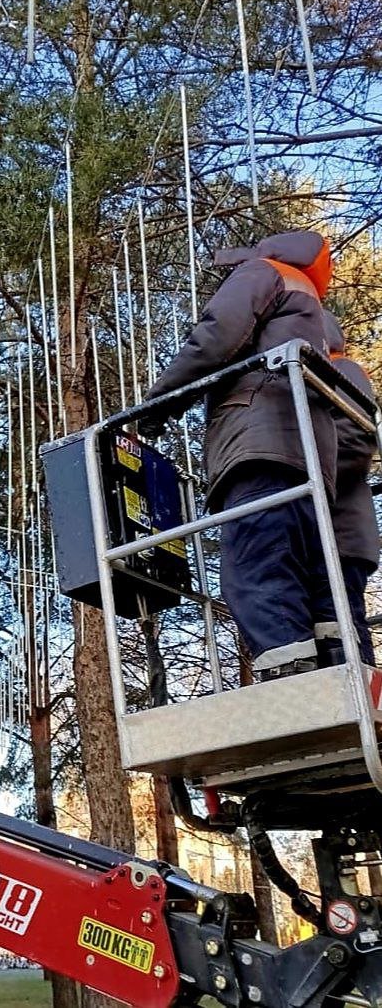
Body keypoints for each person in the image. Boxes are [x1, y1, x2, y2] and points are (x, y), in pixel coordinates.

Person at [143, 230, 336, 680]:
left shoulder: (264, 272)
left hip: (259, 447)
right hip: (308, 455)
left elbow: (217, 336)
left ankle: (296, 689)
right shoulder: (312, 304)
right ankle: (336, 677)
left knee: (256, 568)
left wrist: (159, 404)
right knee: (311, 582)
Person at [316, 310, 379, 666]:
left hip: (342, 531)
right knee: (335, 619)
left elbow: (354, 440)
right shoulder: (323, 375)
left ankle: (361, 701)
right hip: (335, 529)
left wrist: (305, 479)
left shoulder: (342, 370)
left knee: (339, 617)